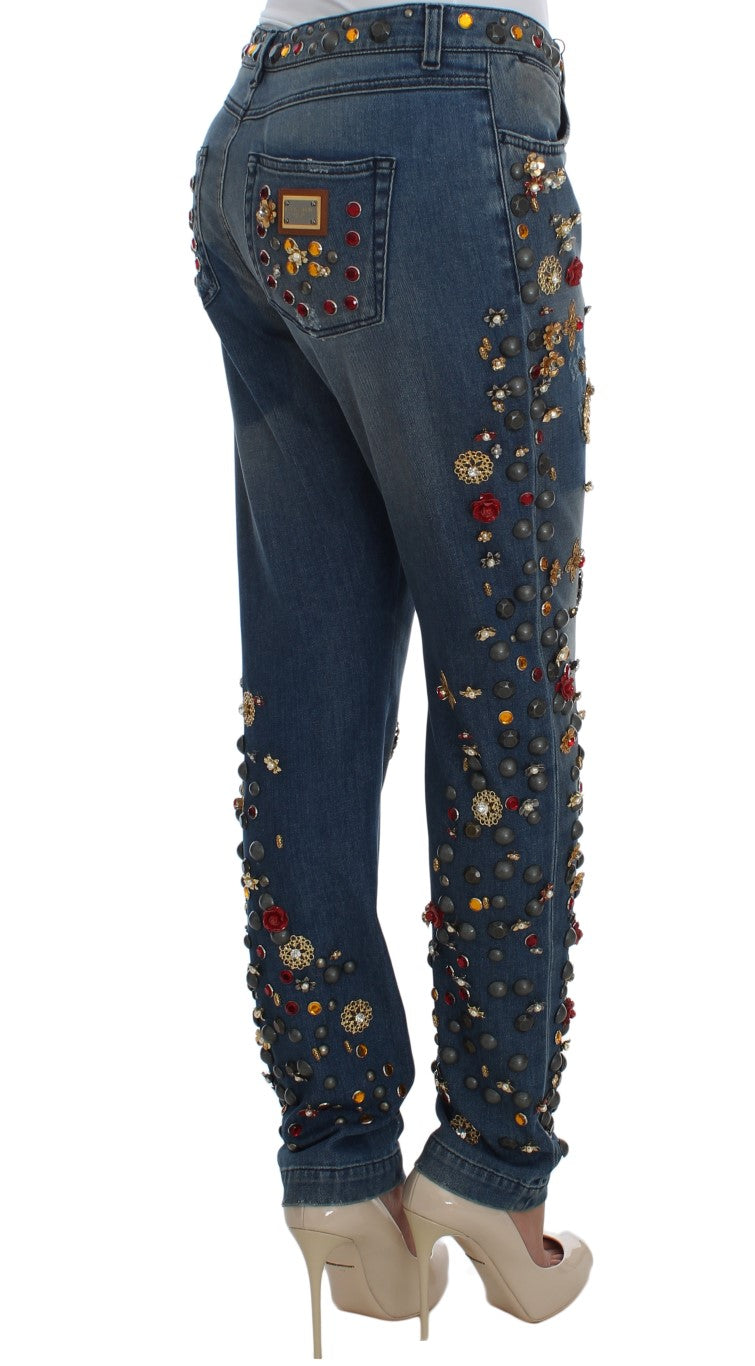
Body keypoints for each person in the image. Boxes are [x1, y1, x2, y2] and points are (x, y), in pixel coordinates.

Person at [188, 4, 594, 1355]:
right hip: (442, 103)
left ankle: (338, 1164)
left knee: (305, 699)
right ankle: (493, 1163)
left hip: (261, 130)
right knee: (506, 683)